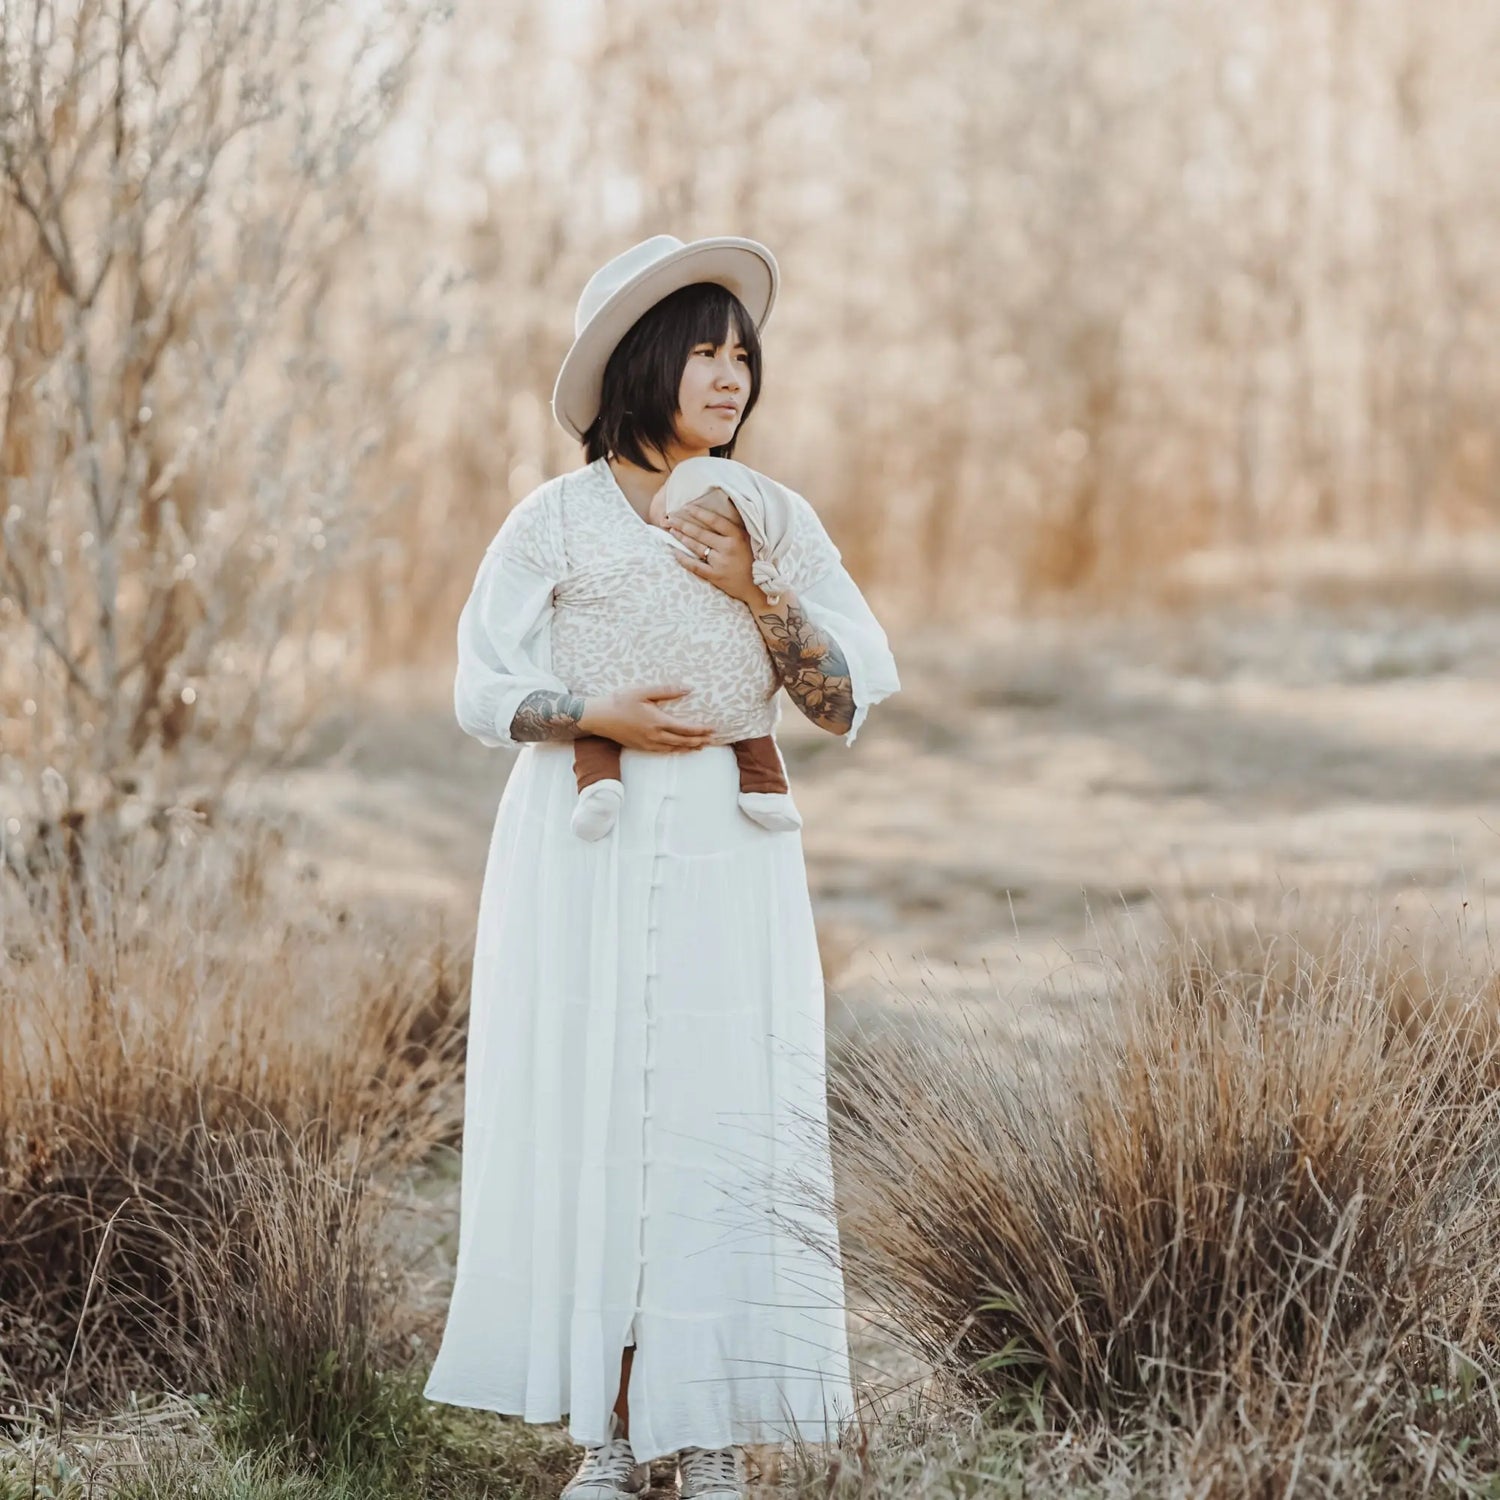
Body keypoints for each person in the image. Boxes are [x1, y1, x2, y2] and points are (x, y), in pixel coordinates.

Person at [422, 233, 902, 1500]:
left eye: (744, 355)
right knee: (596, 1107)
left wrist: (757, 590)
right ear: (641, 363)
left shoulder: (772, 516)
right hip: (584, 835)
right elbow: (478, 688)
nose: (732, 375)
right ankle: (611, 1431)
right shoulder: (552, 519)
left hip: (730, 845)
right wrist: (595, 713)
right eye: (704, 351)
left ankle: (714, 1430)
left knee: (721, 1111)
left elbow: (845, 699)